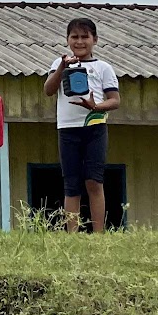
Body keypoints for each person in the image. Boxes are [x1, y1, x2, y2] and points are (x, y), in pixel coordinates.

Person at [43, 16, 120, 233]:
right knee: (71, 184)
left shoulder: (103, 68)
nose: (79, 42)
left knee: (94, 181)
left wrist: (96, 106)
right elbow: (48, 90)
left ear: (95, 39)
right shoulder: (58, 64)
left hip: (95, 128)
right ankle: (72, 235)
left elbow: (115, 100)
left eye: (84, 37)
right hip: (67, 129)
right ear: (67, 39)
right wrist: (62, 67)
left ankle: (98, 234)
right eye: (74, 37)